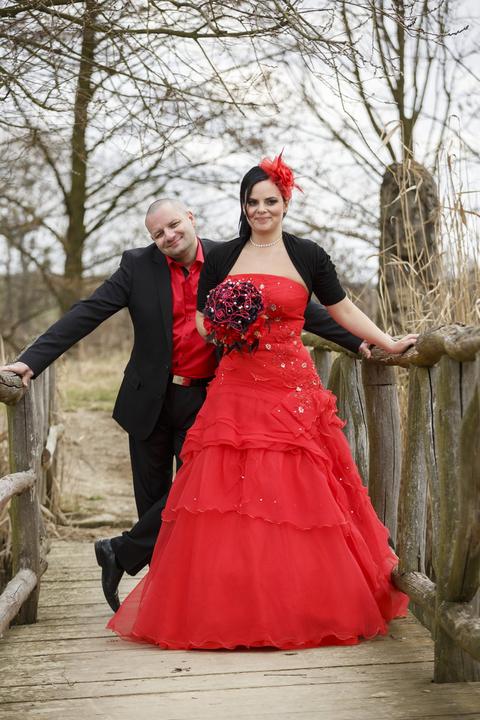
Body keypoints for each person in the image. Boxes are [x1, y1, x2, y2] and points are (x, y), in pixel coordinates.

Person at [106, 154, 417, 650]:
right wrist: (225, 327)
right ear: (244, 205)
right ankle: (233, 605)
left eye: (270, 201)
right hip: (236, 387)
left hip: (292, 389)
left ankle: (298, 603)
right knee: (230, 496)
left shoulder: (308, 255)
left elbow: (340, 309)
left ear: (285, 203)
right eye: (252, 202)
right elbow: (202, 320)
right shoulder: (225, 256)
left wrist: (386, 342)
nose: (261, 210)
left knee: (298, 495)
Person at [0, 198, 366, 612]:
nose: (169, 236)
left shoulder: (229, 258)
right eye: (158, 233)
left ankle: (121, 552)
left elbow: (301, 309)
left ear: (191, 218)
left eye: (174, 225)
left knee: (197, 498)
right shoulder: (137, 267)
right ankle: (162, 605)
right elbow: (87, 313)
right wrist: (32, 361)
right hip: (148, 403)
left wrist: (361, 342)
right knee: (154, 505)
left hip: (207, 400)